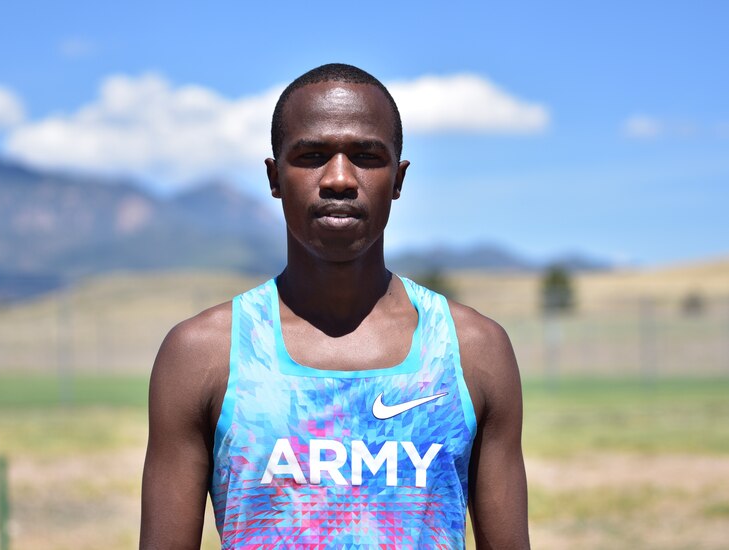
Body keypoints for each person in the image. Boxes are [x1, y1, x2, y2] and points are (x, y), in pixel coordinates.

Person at [140, 63, 530, 549]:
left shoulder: (472, 351)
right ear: (274, 176)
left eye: (366, 156)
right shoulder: (203, 353)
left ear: (398, 179)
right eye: (312, 155)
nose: (340, 178)